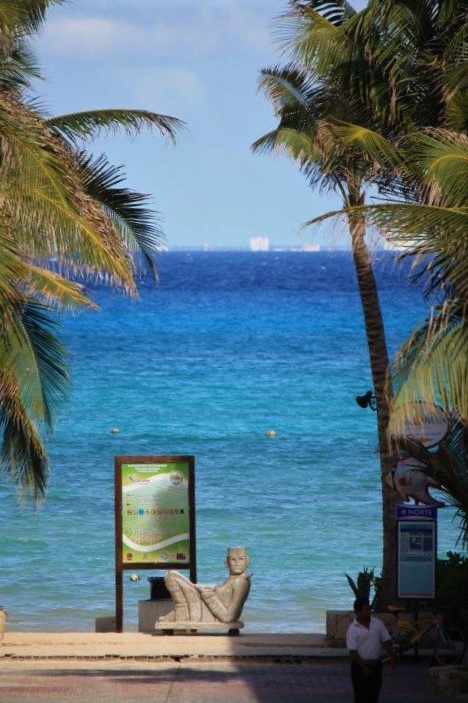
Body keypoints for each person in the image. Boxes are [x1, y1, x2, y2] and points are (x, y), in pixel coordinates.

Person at [158, 546, 251, 624]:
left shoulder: (240, 582)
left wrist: (208, 596)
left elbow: (227, 617)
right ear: (226, 563)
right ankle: (182, 611)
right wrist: (209, 589)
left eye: (241, 559)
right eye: (233, 560)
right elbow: (222, 592)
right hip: (201, 606)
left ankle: (182, 612)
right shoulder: (234, 579)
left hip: (201, 611)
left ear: (247, 561)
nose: (237, 563)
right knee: (172, 574)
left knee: (171, 577)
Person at [346, 597, 396, 703]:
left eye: (369, 609)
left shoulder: (378, 623)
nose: (368, 612)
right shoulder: (352, 629)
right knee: (361, 697)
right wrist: (363, 667)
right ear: (357, 612)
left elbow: (387, 641)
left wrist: (392, 657)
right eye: (365, 610)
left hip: (376, 666)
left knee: (374, 695)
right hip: (359, 667)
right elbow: (352, 651)